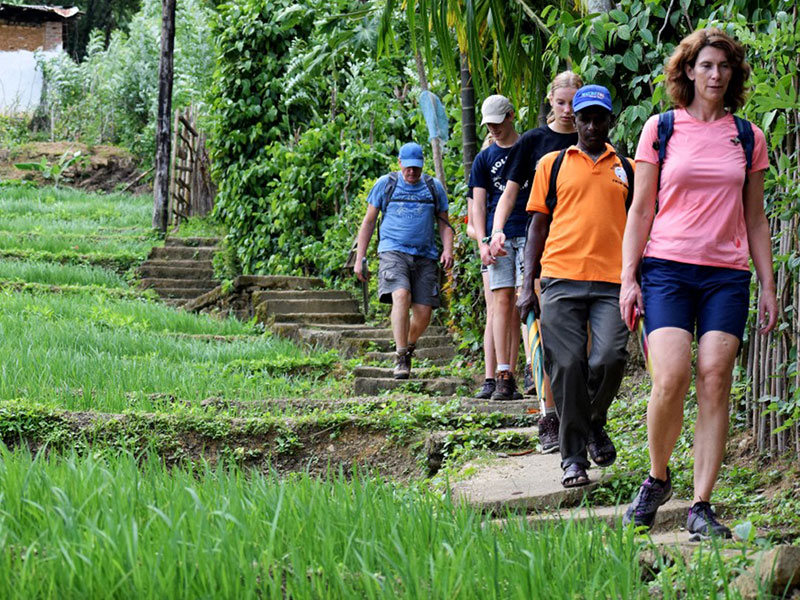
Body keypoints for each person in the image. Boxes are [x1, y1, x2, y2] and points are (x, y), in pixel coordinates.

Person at [620, 28, 776, 539]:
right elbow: (641, 208)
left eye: (724, 67)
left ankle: (701, 505)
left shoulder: (748, 136)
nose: (715, 75)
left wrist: (769, 287)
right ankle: (658, 477)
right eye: (706, 65)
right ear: (689, 70)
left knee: (715, 376)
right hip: (665, 267)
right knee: (670, 377)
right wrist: (628, 278)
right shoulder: (660, 128)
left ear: (733, 75)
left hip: (727, 275)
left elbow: (755, 219)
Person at [515, 84, 633, 488]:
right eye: (585, 118)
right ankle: (573, 459)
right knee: (565, 365)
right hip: (560, 279)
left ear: (609, 121)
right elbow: (537, 227)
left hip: (612, 283)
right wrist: (525, 285)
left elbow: (639, 229)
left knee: (610, 357)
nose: (592, 125)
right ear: (574, 121)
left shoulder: (628, 168)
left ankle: (593, 421)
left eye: (600, 118)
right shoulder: (552, 163)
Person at [488, 72, 582, 446]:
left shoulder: (590, 132)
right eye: (561, 103)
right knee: (538, 322)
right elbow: (510, 193)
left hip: (583, 240)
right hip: (540, 238)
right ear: (550, 102)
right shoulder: (533, 141)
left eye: (574, 102)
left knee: (579, 334)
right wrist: (496, 230)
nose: (569, 111)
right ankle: (548, 414)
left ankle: (577, 409)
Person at [354, 142, 454, 379]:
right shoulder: (386, 184)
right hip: (393, 251)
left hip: (425, 255)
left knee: (424, 313)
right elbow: (368, 222)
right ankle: (400, 356)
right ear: (399, 163)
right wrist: (360, 258)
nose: (412, 172)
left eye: (416, 168)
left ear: (422, 166)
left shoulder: (432, 187)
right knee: (401, 295)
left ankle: (408, 345)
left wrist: (447, 249)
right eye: (408, 167)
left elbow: (444, 222)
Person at [469, 95, 526, 400]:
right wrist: (483, 241)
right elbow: (478, 205)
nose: (494, 128)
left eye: (498, 121)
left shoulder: (528, 147)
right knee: (501, 302)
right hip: (497, 237)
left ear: (510, 116)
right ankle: (503, 374)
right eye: (488, 124)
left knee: (528, 300)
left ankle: (532, 367)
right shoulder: (483, 159)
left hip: (528, 230)